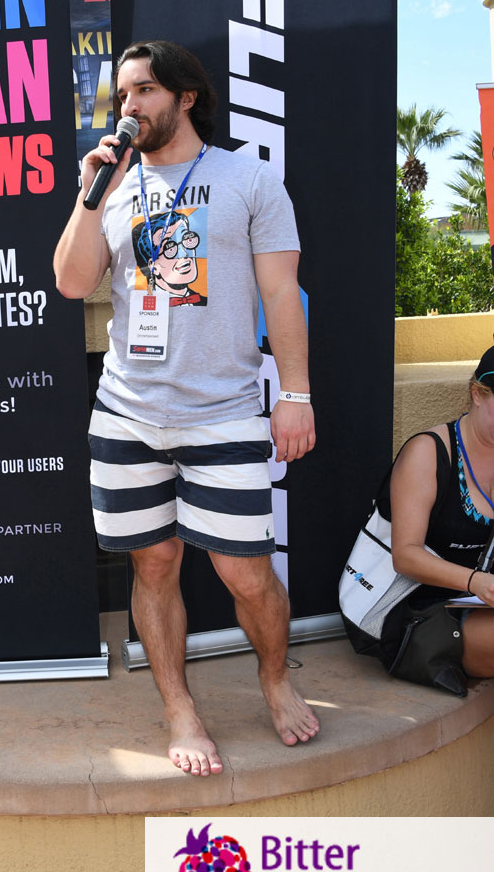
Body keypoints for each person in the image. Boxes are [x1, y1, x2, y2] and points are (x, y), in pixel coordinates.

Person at [53, 40, 319, 776]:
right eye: (121, 97)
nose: (128, 107)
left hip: (224, 410)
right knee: (155, 563)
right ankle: (178, 706)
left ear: (185, 96)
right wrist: (90, 194)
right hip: (127, 413)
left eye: (141, 91)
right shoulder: (112, 189)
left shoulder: (247, 179)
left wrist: (292, 395)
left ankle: (274, 677)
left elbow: (279, 297)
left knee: (245, 573)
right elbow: (73, 283)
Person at [384, 347, 494, 678]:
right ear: (477, 394)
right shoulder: (428, 452)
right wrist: (476, 582)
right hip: (424, 613)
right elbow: (404, 556)